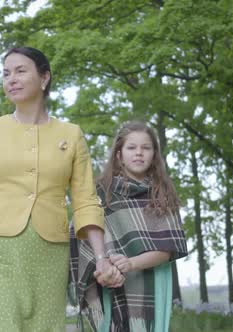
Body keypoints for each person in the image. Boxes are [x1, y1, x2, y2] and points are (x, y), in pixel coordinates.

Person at [0, 46, 123, 331]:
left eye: (21, 71)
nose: (11, 79)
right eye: (6, 73)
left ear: (44, 78)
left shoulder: (70, 135)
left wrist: (101, 258)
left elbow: (86, 201)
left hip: (50, 251)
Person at [70, 121, 188, 332]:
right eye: (131, 147)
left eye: (146, 148)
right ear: (119, 154)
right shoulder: (100, 192)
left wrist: (130, 264)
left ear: (154, 155)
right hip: (110, 279)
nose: (139, 153)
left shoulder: (162, 194)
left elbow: (168, 249)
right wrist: (104, 268)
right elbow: (83, 235)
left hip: (152, 278)